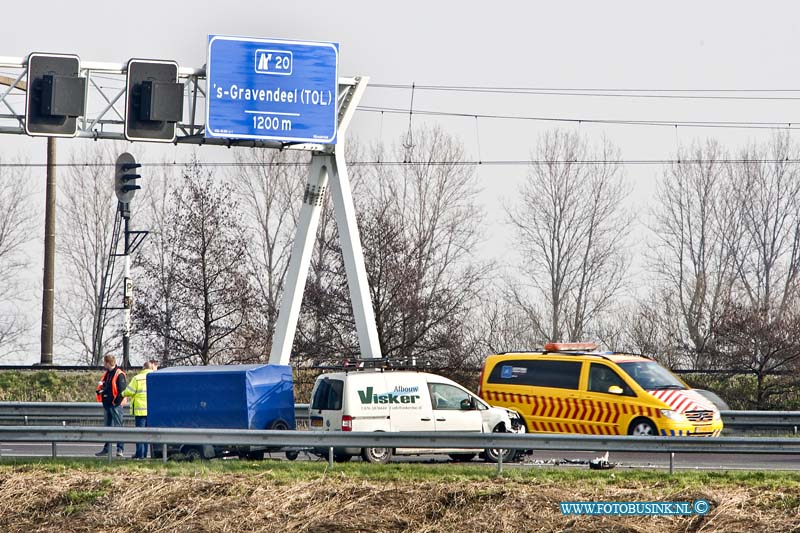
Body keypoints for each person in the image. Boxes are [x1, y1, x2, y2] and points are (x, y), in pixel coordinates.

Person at [94, 354, 127, 457]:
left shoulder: (119, 374)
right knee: (108, 428)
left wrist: (115, 402)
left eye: (104, 362)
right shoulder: (107, 374)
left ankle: (120, 449)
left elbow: (122, 391)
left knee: (118, 427)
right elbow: (105, 386)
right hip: (107, 404)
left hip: (115, 405)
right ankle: (106, 449)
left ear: (108, 363)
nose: (103, 364)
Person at [122, 361, 154, 459]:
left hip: (140, 410)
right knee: (148, 434)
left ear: (143, 368)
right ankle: (145, 454)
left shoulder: (137, 378)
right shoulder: (155, 378)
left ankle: (140, 454)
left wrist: (122, 394)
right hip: (151, 411)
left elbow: (130, 391)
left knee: (140, 434)